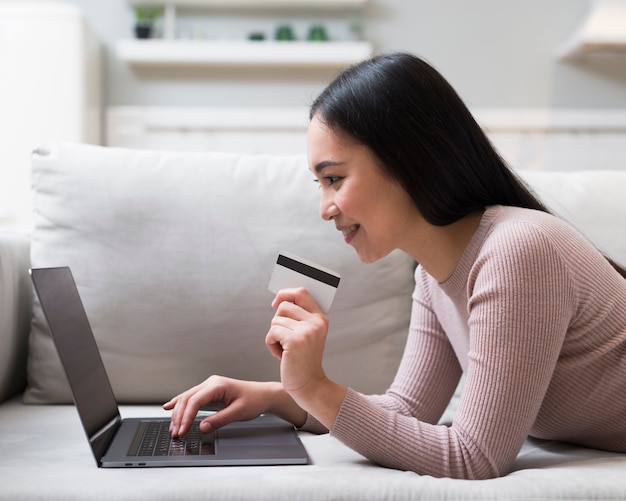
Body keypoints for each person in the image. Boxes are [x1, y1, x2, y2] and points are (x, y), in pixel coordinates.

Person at [164, 52, 626, 480]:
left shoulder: (518, 251)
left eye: (334, 178)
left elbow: (475, 456)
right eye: (319, 184)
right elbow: (406, 410)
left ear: (407, 159)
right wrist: (279, 396)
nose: (325, 207)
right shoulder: (434, 272)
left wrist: (316, 386)